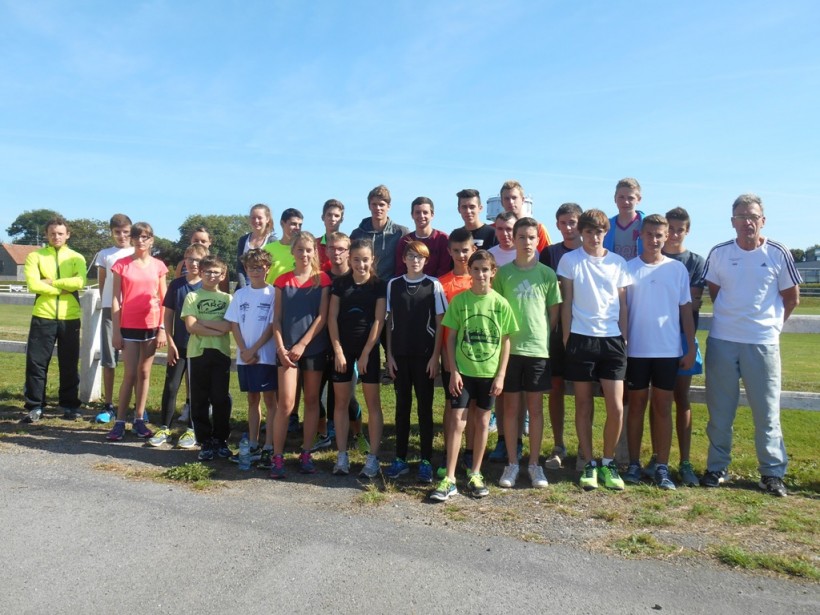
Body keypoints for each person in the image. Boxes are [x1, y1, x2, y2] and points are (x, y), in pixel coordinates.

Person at [702, 194, 801, 497]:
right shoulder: (719, 253)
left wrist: (770, 327)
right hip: (722, 341)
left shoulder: (777, 252)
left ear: (763, 220)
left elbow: (792, 297)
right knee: (720, 411)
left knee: (767, 413)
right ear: (732, 222)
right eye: (741, 217)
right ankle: (717, 467)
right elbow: (716, 293)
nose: (747, 222)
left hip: (762, 344)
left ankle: (772, 473)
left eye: (753, 216)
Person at [430, 250, 516, 501]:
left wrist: (501, 375)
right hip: (463, 372)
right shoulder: (460, 301)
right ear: (470, 271)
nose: (480, 274)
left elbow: (506, 340)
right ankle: (450, 477)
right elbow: (451, 337)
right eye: (476, 269)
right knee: (457, 420)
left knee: (481, 422)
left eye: (485, 270)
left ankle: (476, 473)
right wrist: (453, 370)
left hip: (488, 373)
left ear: (493, 272)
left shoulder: (500, 303)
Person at [558, 209, 631, 491]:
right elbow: (566, 302)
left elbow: (623, 303)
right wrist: (567, 337)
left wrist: (623, 337)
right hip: (580, 338)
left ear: (606, 233)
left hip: (612, 341)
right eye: (589, 231)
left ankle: (608, 462)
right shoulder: (570, 260)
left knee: (615, 407)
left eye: (599, 231)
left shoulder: (618, 263)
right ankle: (588, 463)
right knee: (583, 405)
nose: (594, 236)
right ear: (582, 232)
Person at [622, 215, 696, 491]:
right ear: (640, 235)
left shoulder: (677, 270)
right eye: (650, 234)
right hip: (636, 352)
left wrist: (689, 346)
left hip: (667, 351)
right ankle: (633, 464)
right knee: (636, 407)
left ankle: (662, 466)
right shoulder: (627, 269)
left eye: (659, 235)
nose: (654, 239)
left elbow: (685, 310)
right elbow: (622, 310)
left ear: (667, 237)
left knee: (663, 407)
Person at [494, 217, 561, 489]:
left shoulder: (547, 274)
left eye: (531, 237)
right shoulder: (503, 274)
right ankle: (512, 463)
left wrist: (539, 337)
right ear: (514, 238)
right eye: (521, 237)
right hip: (510, 351)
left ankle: (534, 465)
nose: (526, 242)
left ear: (538, 239)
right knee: (510, 409)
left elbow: (553, 314)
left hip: (537, 350)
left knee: (535, 409)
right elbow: (497, 312)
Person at [270, 231, 331, 478]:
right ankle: (277, 456)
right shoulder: (282, 281)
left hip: (313, 348)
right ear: (292, 252)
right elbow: (276, 319)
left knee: (312, 400)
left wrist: (303, 344)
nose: (304, 254)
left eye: (309, 250)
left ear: (314, 252)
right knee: (285, 404)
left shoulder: (323, 279)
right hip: (286, 351)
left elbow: (322, 317)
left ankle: (306, 452)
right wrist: (281, 347)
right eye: (300, 250)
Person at [385, 241, 447, 483]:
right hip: (400, 356)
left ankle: (425, 461)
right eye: (411, 256)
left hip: (424, 357)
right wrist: (389, 355)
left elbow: (441, 323)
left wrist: (435, 357)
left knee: (424, 409)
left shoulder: (434, 285)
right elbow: (389, 323)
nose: (415, 260)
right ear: (404, 259)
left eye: (420, 257)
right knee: (402, 408)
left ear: (426, 260)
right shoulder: (394, 284)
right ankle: (399, 459)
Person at [652, 206, 706, 486]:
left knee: (681, 399)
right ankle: (656, 458)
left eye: (679, 229)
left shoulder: (695, 261)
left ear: (687, 230)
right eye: (669, 229)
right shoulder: (653, 257)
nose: (673, 234)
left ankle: (684, 462)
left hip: (684, 338)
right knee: (656, 400)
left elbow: (692, 301)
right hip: (654, 339)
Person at [328, 238, 387, 477]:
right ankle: (342, 456)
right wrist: (339, 351)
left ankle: (372, 458)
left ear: (372, 259)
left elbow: (378, 320)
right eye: (356, 260)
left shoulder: (378, 285)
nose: (361, 265)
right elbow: (331, 317)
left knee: (373, 404)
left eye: (365, 260)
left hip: (368, 351)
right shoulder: (340, 284)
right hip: (343, 349)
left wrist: (365, 354)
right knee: (341, 404)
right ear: (349, 260)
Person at [106, 222, 168, 441]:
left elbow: (164, 299)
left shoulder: (159, 266)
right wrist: (116, 331)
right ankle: (120, 421)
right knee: (130, 374)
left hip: (151, 325)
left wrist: (162, 328)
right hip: (129, 325)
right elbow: (115, 299)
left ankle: (139, 419)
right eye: (137, 237)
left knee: (144, 373)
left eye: (145, 237)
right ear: (131, 239)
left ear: (151, 239)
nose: (140, 241)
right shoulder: (121, 265)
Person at [21, 216, 86, 423]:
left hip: (70, 316)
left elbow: (79, 282)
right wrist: (63, 288)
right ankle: (35, 406)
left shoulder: (77, 257)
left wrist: (52, 282)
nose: (56, 237)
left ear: (67, 235)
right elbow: (33, 285)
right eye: (52, 233)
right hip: (43, 315)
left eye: (60, 233)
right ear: (47, 235)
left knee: (69, 362)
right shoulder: (35, 257)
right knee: (37, 363)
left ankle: (69, 405)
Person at [149, 243, 207, 449]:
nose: (194, 264)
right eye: (190, 259)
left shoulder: (207, 287)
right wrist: (171, 342)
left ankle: (192, 430)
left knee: (196, 389)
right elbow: (168, 315)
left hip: (199, 347)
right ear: (185, 261)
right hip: (179, 346)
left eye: (198, 260)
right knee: (172, 386)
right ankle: (164, 427)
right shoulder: (176, 285)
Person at [539, 202, 583, 469]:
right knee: (555, 388)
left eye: (573, 222)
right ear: (556, 225)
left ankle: (583, 448)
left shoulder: (591, 252)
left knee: (582, 391)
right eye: (563, 223)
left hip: (584, 330)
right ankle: (558, 445)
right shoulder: (549, 253)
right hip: (555, 332)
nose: (568, 228)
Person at [224, 248, 277, 466]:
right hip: (245, 357)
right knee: (252, 400)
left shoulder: (273, 293)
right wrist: (244, 350)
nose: (255, 271)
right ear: (245, 269)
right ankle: (253, 442)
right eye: (251, 267)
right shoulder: (240, 294)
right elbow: (234, 323)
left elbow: (272, 326)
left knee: (270, 401)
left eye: (260, 267)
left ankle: (269, 446)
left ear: (267, 268)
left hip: (265, 356)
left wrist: (254, 348)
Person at [181, 255, 233, 460]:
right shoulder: (192, 297)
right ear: (201, 273)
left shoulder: (228, 299)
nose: (212, 275)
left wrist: (203, 324)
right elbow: (191, 326)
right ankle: (205, 440)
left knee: (220, 397)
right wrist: (216, 328)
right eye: (208, 272)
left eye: (216, 272)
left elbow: (228, 326)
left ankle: (221, 439)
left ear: (223, 275)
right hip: (197, 353)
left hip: (220, 352)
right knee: (200, 398)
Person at [434, 228, 476, 477]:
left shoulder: (480, 279)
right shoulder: (441, 283)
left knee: (473, 407)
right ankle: (450, 453)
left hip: (478, 355)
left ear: (473, 250)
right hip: (451, 354)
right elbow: (439, 323)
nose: (461, 255)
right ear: (449, 251)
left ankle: (470, 453)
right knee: (452, 405)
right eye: (457, 251)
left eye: (466, 250)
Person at [93, 213, 134, 423]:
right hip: (111, 310)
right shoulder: (105, 254)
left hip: (133, 312)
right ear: (111, 232)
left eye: (126, 232)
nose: (122, 236)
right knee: (109, 360)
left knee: (133, 362)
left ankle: (136, 407)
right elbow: (102, 283)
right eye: (117, 232)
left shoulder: (137, 252)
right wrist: (107, 304)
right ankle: (108, 405)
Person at [350, 185, 408, 281]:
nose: (378, 208)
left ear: (388, 206)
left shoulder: (401, 233)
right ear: (369, 206)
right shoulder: (358, 234)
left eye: (381, 204)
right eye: (374, 204)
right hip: (365, 286)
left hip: (391, 287)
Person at [394, 197, 451, 277]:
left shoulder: (443, 239)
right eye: (417, 212)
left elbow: (445, 270)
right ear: (412, 215)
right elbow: (401, 271)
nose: (421, 216)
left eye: (425, 212)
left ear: (432, 215)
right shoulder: (405, 241)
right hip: (410, 287)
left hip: (438, 286)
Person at [499, 180, 551, 251]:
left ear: (523, 200)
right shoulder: (494, 229)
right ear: (501, 202)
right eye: (506, 198)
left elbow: (547, 257)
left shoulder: (538, 229)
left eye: (514, 198)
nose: (511, 202)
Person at [236, 203, 277, 289]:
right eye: (253, 218)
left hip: (264, 288)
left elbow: (272, 269)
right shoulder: (243, 240)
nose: (256, 221)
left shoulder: (272, 241)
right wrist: (244, 288)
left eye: (259, 218)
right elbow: (239, 267)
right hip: (245, 287)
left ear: (267, 219)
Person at [604, 177, 645, 260]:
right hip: (613, 271)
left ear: (639, 199)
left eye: (630, 198)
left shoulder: (646, 225)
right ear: (615, 198)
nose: (625, 202)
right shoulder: (606, 225)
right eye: (621, 197)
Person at [264, 208, 304, 284]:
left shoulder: (304, 251)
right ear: (282, 223)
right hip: (271, 294)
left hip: (295, 293)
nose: (297, 228)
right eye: (293, 224)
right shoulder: (267, 249)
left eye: (300, 225)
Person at [316, 199, 345, 271]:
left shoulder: (349, 244)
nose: (332, 219)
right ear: (323, 217)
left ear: (341, 219)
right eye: (329, 215)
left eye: (336, 216)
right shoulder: (314, 245)